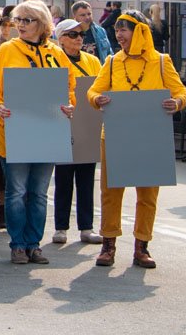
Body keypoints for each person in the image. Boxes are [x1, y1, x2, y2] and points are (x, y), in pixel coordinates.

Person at [88, 9, 186, 269]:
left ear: (140, 31)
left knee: (147, 194)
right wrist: (98, 99)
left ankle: (141, 247)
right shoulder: (112, 62)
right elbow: (93, 91)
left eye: (124, 29)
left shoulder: (161, 61)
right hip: (115, 134)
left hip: (150, 136)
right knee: (111, 193)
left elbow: (180, 92)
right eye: (117, 30)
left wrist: (176, 103)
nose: (119, 35)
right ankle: (108, 245)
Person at [0, 0, 75, 265]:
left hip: (47, 131)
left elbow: (69, 87)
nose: (20, 25)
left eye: (27, 20)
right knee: (16, 192)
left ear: (42, 23)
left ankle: (34, 244)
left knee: (39, 193)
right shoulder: (7, 50)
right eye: (18, 20)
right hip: (14, 132)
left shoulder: (56, 53)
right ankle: (18, 244)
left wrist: (69, 105)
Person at [50, 18, 103, 246]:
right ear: (60, 38)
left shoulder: (93, 61)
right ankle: (60, 227)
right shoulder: (53, 59)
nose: (79, 38)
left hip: (87, 125)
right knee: (63, 179)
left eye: (81, 34)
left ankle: (86, 227)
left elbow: (100, 87)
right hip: (62, 123)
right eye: (72, 35)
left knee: (86, 179)